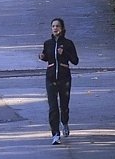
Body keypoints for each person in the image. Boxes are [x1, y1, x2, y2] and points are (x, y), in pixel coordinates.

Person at [38, 17, 78, 145]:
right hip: (50, 78)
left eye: (57, 26)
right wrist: (42, 57)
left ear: (62, 28)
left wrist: (64, 52)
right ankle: (55, 134)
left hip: (64, 78)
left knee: (64, 106)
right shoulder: (48, 43)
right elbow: (47, 57)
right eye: (53, 26)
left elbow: (75, 61)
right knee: (53, 107)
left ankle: (64, 122)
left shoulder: (68, 43)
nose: (55, 28)